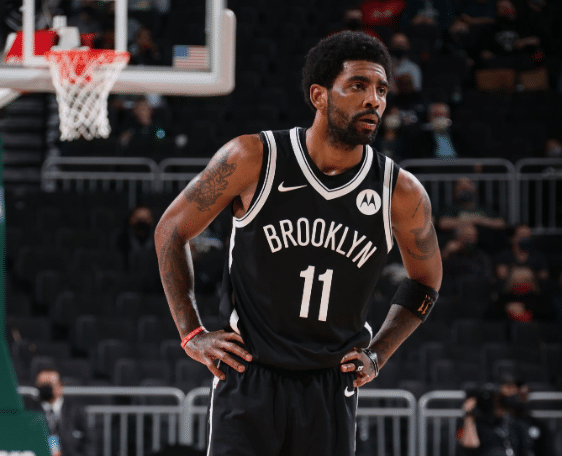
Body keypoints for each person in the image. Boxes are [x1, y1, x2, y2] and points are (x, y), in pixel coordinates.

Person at [155, 31, 443, 456]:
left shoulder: (400, 191)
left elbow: (426, 282)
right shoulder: (253, 157)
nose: (374, 100)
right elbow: (171, 230)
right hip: (250, 376)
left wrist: (378, 354)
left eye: (381, 90)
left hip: (330, 385)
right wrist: (191, 332)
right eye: (358, 85)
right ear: (319, 96)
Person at [27, 369, 94, 456]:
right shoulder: (30, 411)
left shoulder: (75, 410)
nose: (45, 389)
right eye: (42, 385)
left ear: (60, 386)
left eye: (49, 385)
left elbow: (90, 440)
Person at [458, 384, 534, 456]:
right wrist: (469, 415)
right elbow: (470, 446)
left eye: (495, 398)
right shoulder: (475, 424)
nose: (492, 403)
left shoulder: (515, 424)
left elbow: (525, 451)